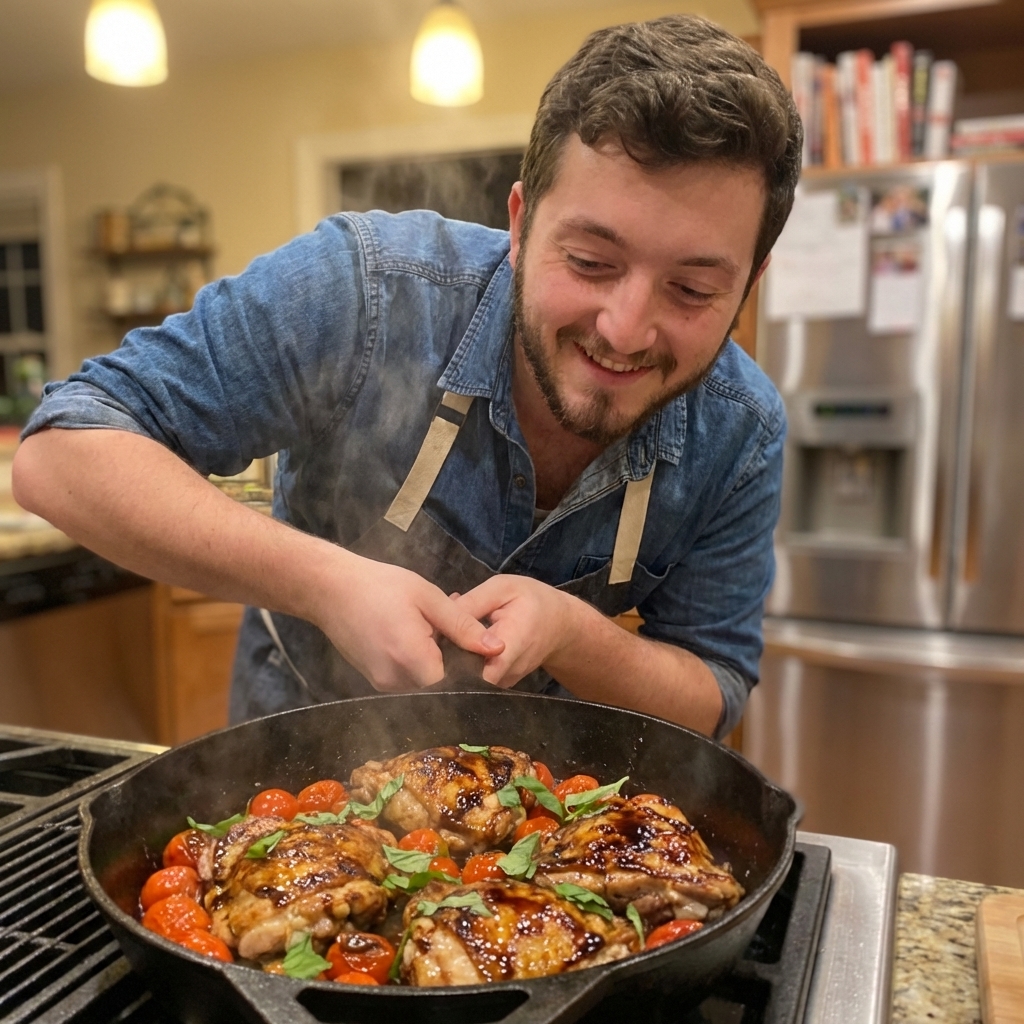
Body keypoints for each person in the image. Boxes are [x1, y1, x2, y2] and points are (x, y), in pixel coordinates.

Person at [13, 15, 801, 740]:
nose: (625, 329)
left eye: (693, 290)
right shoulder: (368, 288)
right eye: (591, 262)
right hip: (295, 775)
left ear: (749, 284)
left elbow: (712, 689)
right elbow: (61, 453)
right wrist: (328, 582)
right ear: (522, 226)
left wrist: (570, 633)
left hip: (546, 821)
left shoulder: (741, 430)